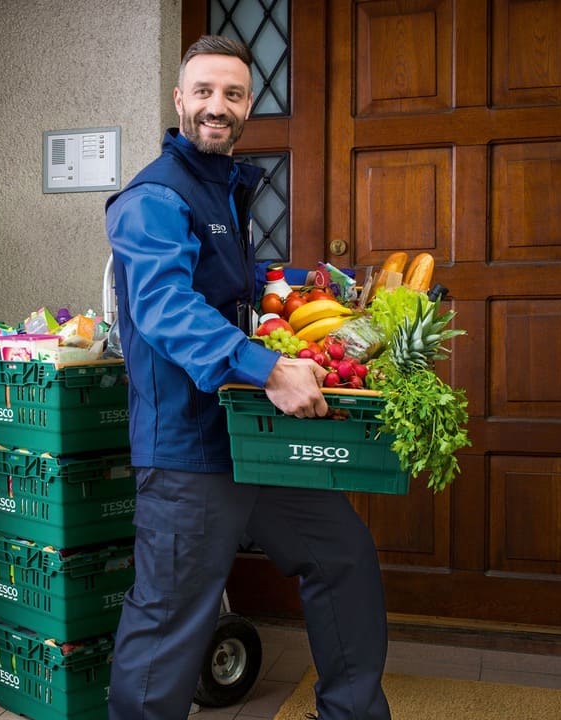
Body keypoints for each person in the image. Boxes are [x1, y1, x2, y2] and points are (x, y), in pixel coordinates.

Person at [104, 35, 392, 720]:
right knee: (169, 620)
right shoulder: (153, 199)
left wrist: (299, 304)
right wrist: (267, 369)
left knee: (341, 558)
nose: (217, 106)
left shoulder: (221, 189)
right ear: (179, 101)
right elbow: (167, 308)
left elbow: (227, 294)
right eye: (203, 91)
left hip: (254, 442)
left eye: (232, 94)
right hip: (188, 450)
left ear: (248, 105)